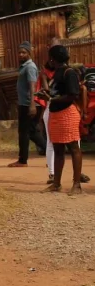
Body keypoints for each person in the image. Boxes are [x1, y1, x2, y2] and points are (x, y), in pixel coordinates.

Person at [45, 45, 83, 194]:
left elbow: (72, 95)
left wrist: (51, 98)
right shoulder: (58, 73)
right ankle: (56, 184)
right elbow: (58, 92)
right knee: (58, 149)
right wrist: (48, 94)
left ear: (52, 59)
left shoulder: (69, 72)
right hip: (56, 115)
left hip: (67, 114)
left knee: (73, 147)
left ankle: (77, 185)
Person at [9, 42, 42, 168]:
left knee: (24, 132)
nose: (21, 55)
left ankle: (22, 161)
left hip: (29, 104)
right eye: (19, 52)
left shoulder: (30, 67)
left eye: (24, 52)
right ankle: (50, 151)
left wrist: (32, 104)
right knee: (31, 131)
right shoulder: (24, 66)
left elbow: (32, 86)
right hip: (25, 103)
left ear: (29, 53)